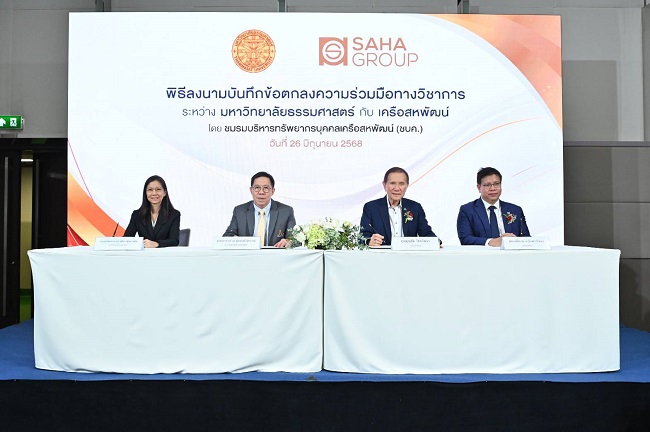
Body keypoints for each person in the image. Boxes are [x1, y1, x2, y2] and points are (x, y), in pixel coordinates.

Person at [360, 167, 439, 246]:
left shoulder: (415, 207)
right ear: (384, 185)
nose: (397, 188)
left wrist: (437, 242)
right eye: (392, 183)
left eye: (401, 184)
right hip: (383, 253)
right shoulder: (371, 208)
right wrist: (369, 241)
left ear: (407, 186)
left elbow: (426, 232)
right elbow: (362, 237)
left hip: (408, 253)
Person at [457, 167, 530, 247]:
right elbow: (465, 239)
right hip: (482, 254)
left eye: (496, 184)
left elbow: (526, 239)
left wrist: (513, 241)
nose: (493, 188)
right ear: (479, 187)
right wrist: (491, 242)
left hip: (511, 254)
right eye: (487, 185)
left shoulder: (516, 210)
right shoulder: (467, 210)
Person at [223, 171, 296, 248]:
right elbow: (227, 236)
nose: (261, 192)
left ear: (273, 191)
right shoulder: (239, 211)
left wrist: (288, 241)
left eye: (266, 188)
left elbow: (295, 239)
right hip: (248, 254)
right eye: (257, 188)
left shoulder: (286, 211)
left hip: (274, 255)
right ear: (251, 190)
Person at [124, 175, 180, 247]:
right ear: (145, 193)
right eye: (150, 190)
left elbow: (174, 241)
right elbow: (127, 239)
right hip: (144, 253)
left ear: (165, 192)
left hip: (164, 253)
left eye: (158, 189)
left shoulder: (174, 214)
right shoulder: (137, 215)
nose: (154, 193)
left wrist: (156, 244)